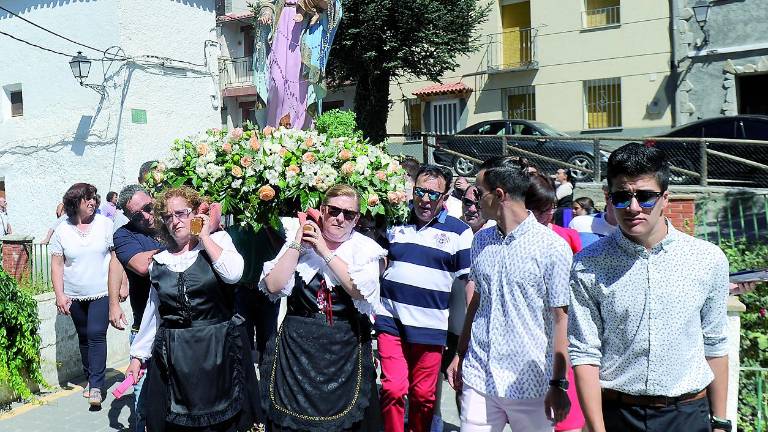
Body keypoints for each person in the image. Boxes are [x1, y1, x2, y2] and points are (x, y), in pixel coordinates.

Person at [568, 143, 731, 432]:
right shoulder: (588, 264)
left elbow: (715, 345)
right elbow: (585, 354)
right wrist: (596, 428)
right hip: (618, 414)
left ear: (665, 198)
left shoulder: (707, 259)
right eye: (621, 197)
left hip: (687, 415)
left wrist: (720, 423)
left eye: (645, 197)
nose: (633, 208)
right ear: (608, 198)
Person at [446, 156, 572, 432]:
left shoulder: (552, 247)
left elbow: (561, 319)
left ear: (499, 194)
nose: (475, 201)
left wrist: (558, 383)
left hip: (530, 382)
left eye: (479, 194)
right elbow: (477, 302)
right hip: (479, 376)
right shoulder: (480, 239)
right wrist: (460, 352)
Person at [125, 186, 262, 432]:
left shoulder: (217, 242)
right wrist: (137, 357)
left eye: (181, 213)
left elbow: (234, 274)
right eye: (168, 217)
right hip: (177, 354)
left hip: (218, 349)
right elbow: (154, 313)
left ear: (195, 214)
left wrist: (205, 236)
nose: (174, 221)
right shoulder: (160, 260)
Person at [259, 184, 386, 431]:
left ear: (356, 218)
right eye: (334, 210)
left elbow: (359, 289)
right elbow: (273, 286)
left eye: (348, 214)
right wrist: (297, 243)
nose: (340, 218)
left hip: (343, 344)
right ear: (322, 210)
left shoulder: (364, 249)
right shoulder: (300, 244)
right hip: (297, 347)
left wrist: (324, 251)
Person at [375, 164, 473, 432]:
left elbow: (469, 284)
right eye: (420, 191)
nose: (424, 199)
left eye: (432, 194)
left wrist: (469, 332)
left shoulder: (460, 231)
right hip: (390, 321)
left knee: (424, 397)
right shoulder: (394, 219)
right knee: (393, 389)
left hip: (431, 327)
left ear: (445, 197)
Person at [525, 173, 585, 432]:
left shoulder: (567, 236)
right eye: (541, 210)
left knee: (565, 419)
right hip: (530, 333)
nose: (548, 214)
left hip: (561, 325)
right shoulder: (516, 241)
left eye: (551, 208)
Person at [49, 183, 114, 408]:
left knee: (96, 334)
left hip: (102, 291)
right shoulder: (62, 230)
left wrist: (121, 284)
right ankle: (90, 377)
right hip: (74, 295)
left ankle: (96, 385)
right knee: (84, 338)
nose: (92, 202)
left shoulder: (105, 224)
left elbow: (116, 258)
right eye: (87, 199)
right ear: (74, 202)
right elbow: (57, 265)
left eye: (94, 198)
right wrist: (60, 295)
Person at [436, 184, 495, 426]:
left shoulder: (493, 237)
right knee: (450, 382)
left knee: (475, 392)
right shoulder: (453, 230)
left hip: (481, 328)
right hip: (450, 324)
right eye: (467, 202)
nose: (471, 208)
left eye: (476, 203)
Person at [107, 184, 163, 432]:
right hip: (145, 325)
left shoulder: (169, 219)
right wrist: (180, 246)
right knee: (142, 394)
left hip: (178, 326)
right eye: (138, 215)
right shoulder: (124, 235)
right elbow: (140, 265)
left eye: (149, 208)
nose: (147, 217)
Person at [254, 0, 343, 129]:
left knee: (300, 84)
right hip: (280, 29)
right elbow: (267, 3)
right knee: (276, 82)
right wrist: (266, 12)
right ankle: (272, 128)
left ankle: (299, 130)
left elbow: (330, 7)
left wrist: (314, 10)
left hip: (303, 32)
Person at [568, 183, 618, 248]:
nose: (633, 206)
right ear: (606, 197)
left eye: (636, 197)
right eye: (622, 197)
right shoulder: (579, 223)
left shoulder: (634, 231)